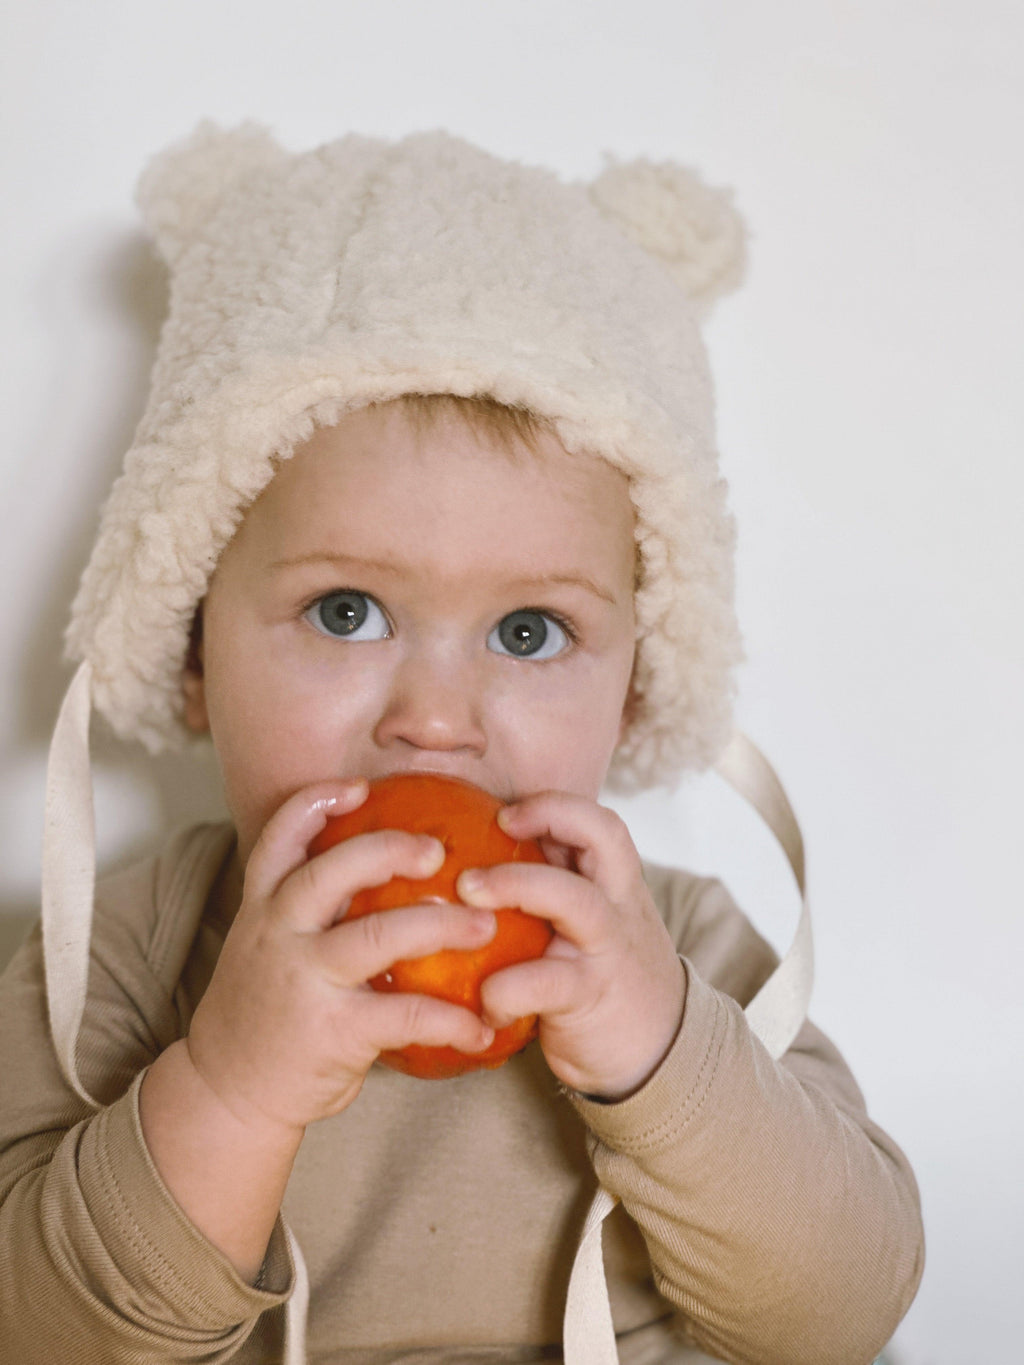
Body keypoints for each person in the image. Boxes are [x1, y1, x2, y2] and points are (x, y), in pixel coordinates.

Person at [0, 123, 923, 1365]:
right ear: (192, 651)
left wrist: (658, 1058)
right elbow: (34, 1331)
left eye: (530, 630)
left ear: (638, 680)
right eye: (346, 612)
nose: (434, 718)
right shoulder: (113, 963)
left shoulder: (681, 949)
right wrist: (229, 1091)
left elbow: (841, 1312)